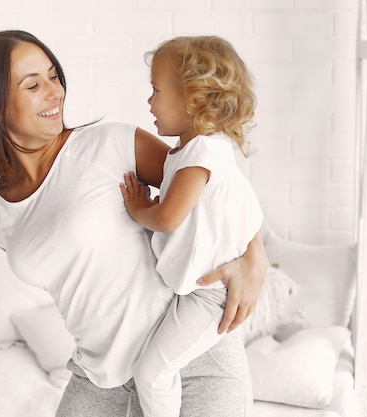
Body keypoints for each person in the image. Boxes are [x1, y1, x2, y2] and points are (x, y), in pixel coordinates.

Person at [0, 30, 268, 417]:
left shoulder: (111, 145)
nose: (55, 92)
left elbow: (214, 188)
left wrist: (255, 256)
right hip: (98, 374)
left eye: (53, 76)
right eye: (33, 84)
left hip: (188, 360)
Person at [119, 36, 263, 417]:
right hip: (195, 291)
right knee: (151, 368)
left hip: (208, 294)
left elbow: (168, 217)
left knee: (152, 374)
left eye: (156, 90)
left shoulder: (202, 151)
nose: (149, 101)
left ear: (194, 99)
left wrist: (138, 209)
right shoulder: (195, 150)